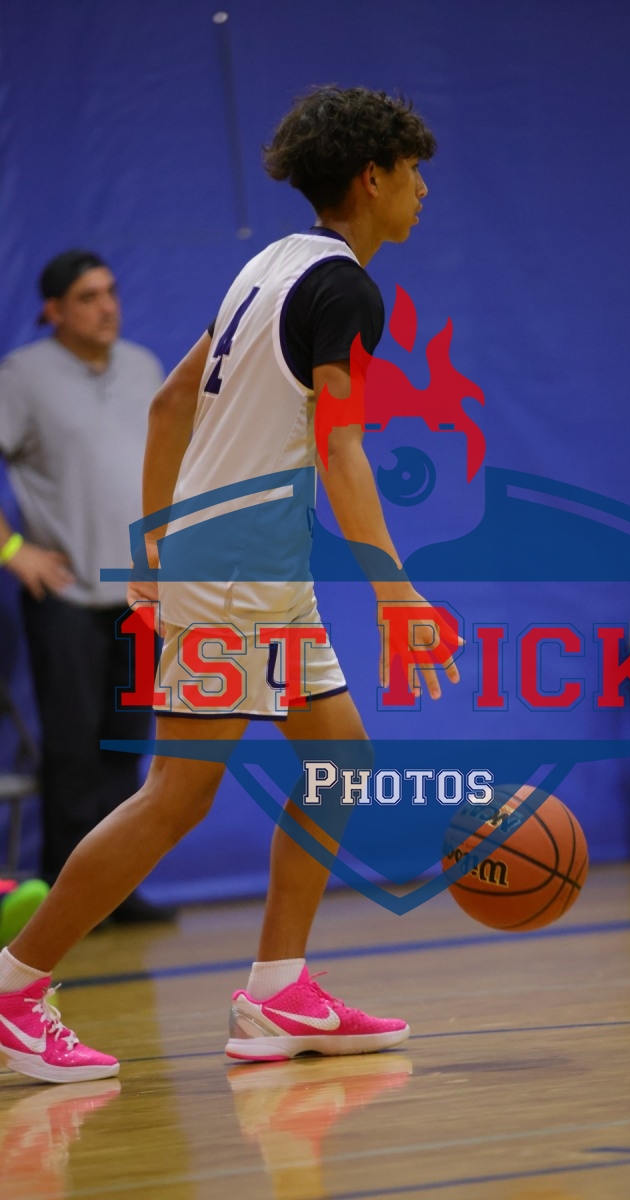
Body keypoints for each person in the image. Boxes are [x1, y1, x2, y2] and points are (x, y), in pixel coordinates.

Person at [0, 86, 459, 1083]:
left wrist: (154, 542)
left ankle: (276, 989)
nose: (422, 190)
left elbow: (171, 403)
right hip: (242, 571)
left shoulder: (267, 267)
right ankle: (14, 987)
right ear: (371, 178)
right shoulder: (345, 291)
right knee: (176, 796)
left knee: (339, 758)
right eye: (413, 172)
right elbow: (342, 452)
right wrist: (396, 595)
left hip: (249, 567)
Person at [0, 250, 176, 925]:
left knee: (125, 750)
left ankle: (116, 892)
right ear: (53, 311)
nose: (106, 307)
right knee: (73, 751)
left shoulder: (143, 367)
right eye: (87, 297)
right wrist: (14, 550)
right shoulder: (23, 377)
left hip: (139, 599)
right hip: (68, 600)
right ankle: (66, 904)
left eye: (110, 292)